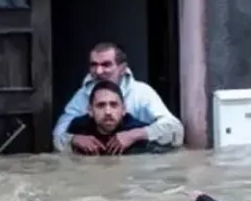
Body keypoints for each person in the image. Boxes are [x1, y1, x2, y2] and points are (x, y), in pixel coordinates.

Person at [53, 42, 184, 154]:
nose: (98, 71)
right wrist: (74, 139)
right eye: (94, 65)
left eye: (106, 65)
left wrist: (134, 135)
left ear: (122, 68)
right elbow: (57, 136)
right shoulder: (82, 95)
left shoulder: (141, 93)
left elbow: (176, 131)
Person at [65, 81, 177, 155]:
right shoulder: (78, 128)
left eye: (113, 105)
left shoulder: (135, 128)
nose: (108, 112)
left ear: (123, 109)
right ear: (90, 111)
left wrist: (134, 136)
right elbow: (56, 142)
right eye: (101, 105)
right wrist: (72, 140)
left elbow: (175, 139)